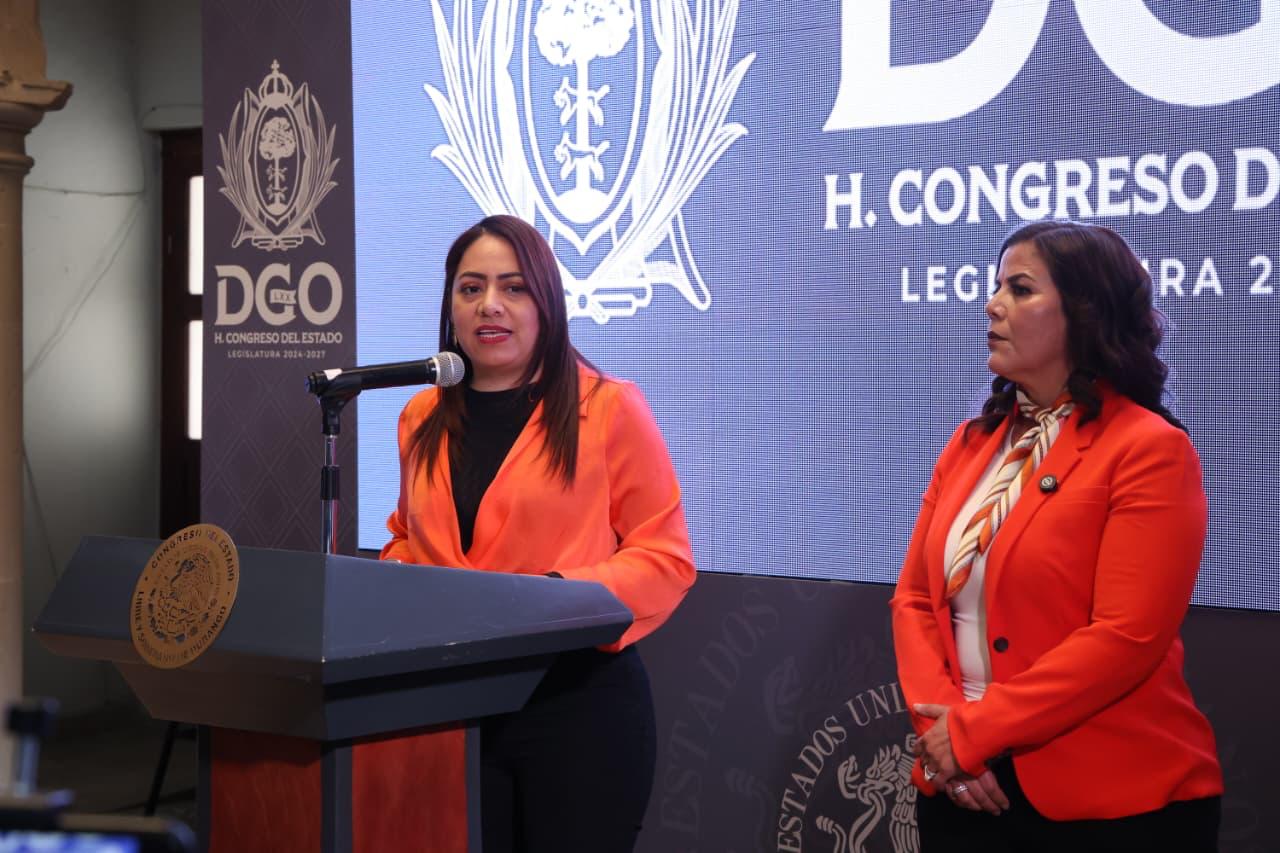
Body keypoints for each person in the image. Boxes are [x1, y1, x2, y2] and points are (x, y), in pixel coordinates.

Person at [890, 221, 1223, 851]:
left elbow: (1126, 638)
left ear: (1084, 313)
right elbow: (913, 601)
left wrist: (975, 733)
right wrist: (944, 735)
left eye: (1019, 290)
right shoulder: (970, 444)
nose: (992, 306)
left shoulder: (1149, 449)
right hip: (960, 782)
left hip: (1112, 805)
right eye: (997, 288)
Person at [380, 214, 696, 853]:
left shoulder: (608, 407)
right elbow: (406, 536)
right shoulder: (420, 415)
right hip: (450, 706)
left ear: (547, 301)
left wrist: (553, 598)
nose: (489, 305)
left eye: (513, 287)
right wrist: (397, 576)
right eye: (471, 288)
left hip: (577, 707)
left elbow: (664, 557)